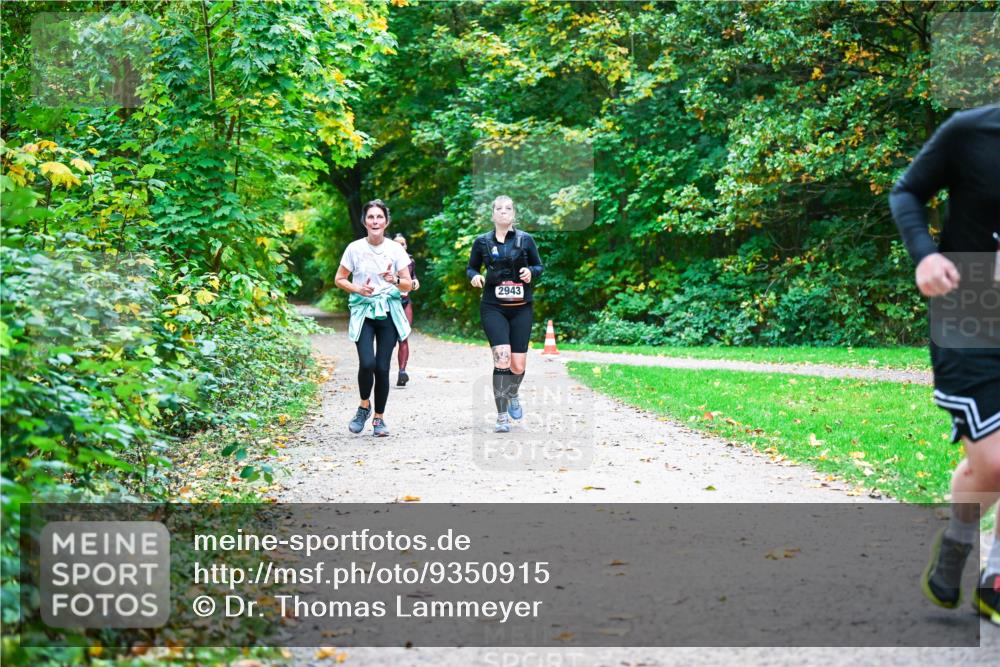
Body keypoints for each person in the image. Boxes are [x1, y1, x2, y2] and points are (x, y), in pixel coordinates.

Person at [890, 103, 1000, 624]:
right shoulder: (970, 132)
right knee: (996, 462)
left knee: (992, 464)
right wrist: (925, 254)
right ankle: (962, 541)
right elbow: (907, 191)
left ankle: (991, 575)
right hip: (971, 310)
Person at [334, 199, 412, 437]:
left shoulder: (396, 249)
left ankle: (379, 418)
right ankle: (363, 406)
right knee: (367, 363)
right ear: (364, 222)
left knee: (382, 367)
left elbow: (408, 284)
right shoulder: (354, 248)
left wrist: (393, 281)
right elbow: (339, 278)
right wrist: (358, 289)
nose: (375, 221)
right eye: (371, 217)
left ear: (386, 222)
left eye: (379, 217)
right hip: (363, 311)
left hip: (388, 311)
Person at [466, 195, 544, 433]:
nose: (503, 212)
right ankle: (501, 416)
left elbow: (539, 266)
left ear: (513, 214)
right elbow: (471, 267)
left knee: (518, 366)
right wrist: (475, 276)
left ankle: (513, 392)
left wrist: (531, 272)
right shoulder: (482, 242)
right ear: (492, 215)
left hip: (521, 308)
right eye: (498, 208)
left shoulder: (525, 239)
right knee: (502, 359)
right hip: (493, 307)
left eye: (508, 208)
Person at [393, 233, 420, 387]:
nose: (399, 246)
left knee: (404, 336)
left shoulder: (410, 261)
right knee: (388, 339)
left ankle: (402, 372)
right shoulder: (386, 259)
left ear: (406, 246)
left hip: (405, 300)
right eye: (396, 243)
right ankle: (380, 369)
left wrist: (415, 282)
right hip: (389, 302)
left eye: (402, 243)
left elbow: (414, 278)